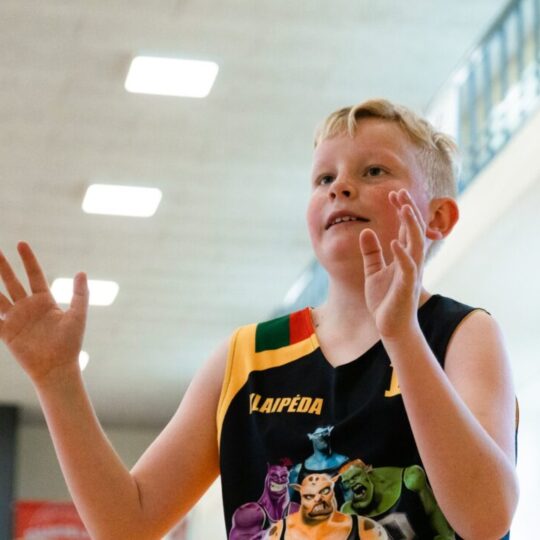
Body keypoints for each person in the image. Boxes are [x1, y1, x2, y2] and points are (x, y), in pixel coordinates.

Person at [0, 99, 519, 540]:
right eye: (324, 177)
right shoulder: (247, 357)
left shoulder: (463, 335)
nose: (340, 186)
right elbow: (127, 524)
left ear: (437, 217)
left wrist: (401, 335)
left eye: (374, 171)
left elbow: (486, 518)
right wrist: (58, 380)